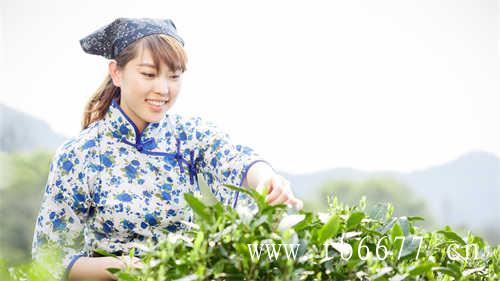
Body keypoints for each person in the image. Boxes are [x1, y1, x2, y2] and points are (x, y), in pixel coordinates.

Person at [31, 17, 303, 281]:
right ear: (116, 72)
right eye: (148, 74)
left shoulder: (188, 136)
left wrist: (268, 180)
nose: (163, 89)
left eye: (174, 76)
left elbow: (233, 158)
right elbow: (49, 257)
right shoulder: (80, 154)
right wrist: (122, 266)